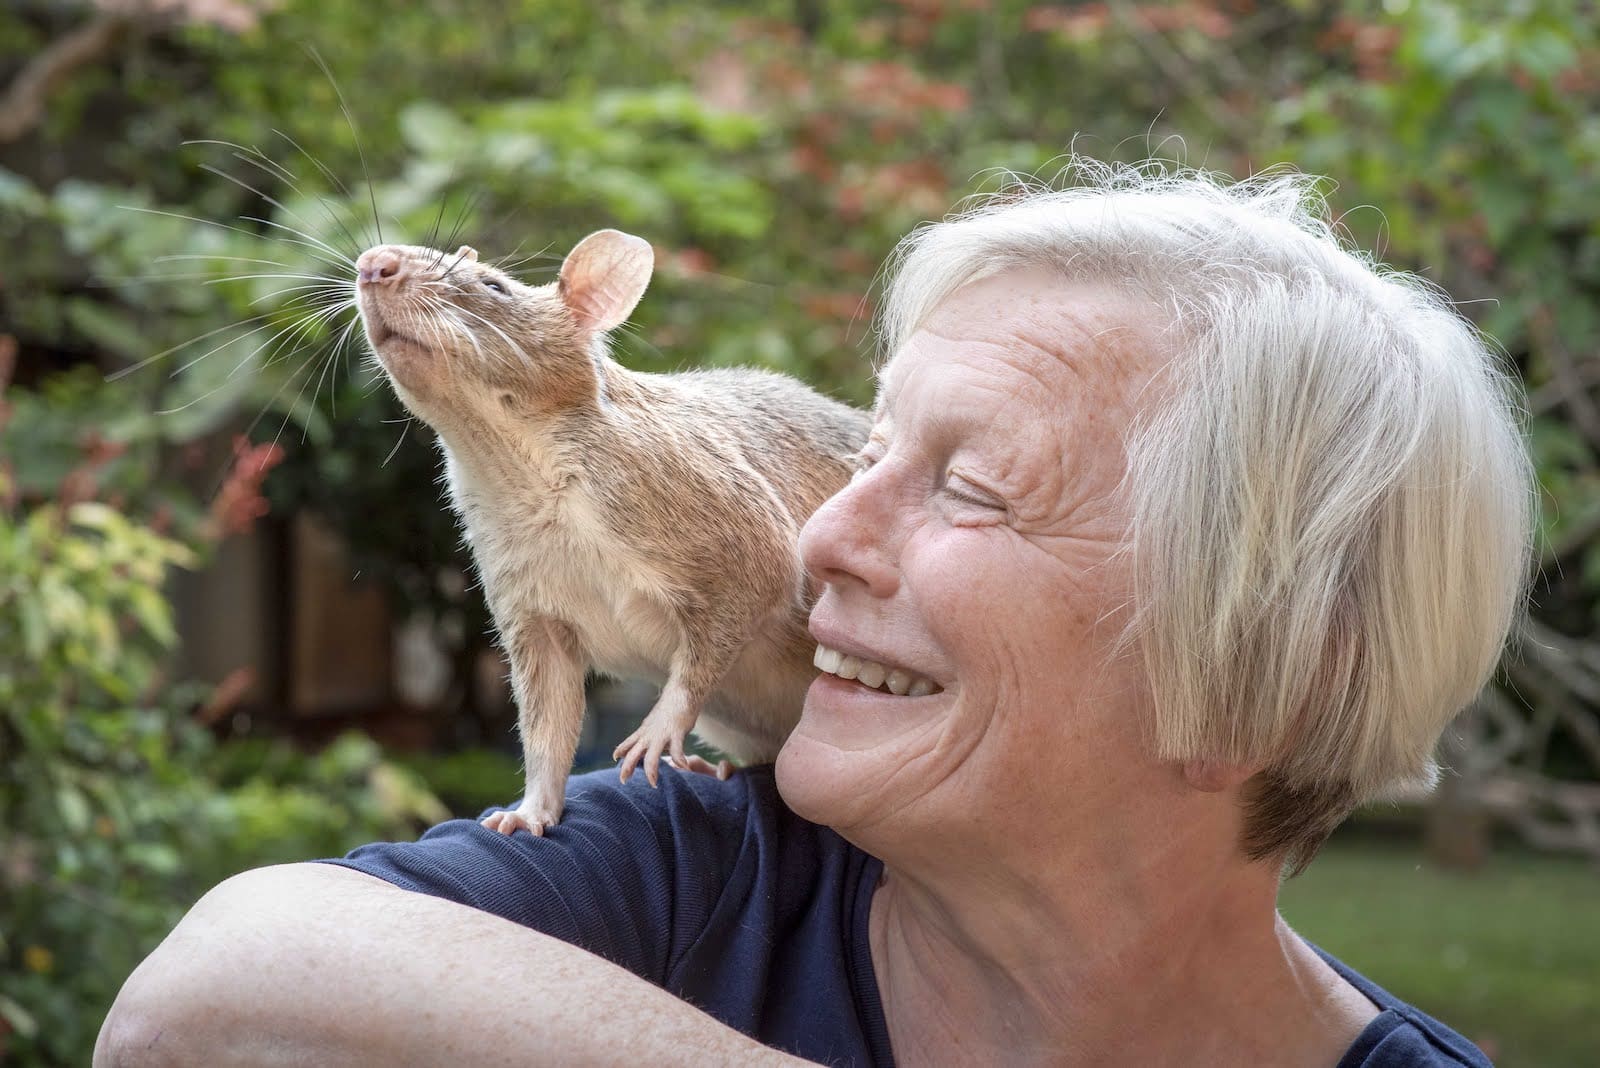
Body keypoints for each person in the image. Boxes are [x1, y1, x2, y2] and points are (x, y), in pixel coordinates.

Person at [96, 160, 1531, 1066]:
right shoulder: (700, 869)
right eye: (867, 451)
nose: (825, 533)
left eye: (966, 488)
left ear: (1256, 682)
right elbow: (200, 995)